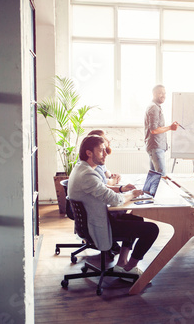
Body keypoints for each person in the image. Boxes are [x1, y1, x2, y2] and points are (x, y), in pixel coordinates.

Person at [68, 135, 159, 277]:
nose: (106, 154)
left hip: (91, 221)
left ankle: (121, 264)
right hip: (98, 226)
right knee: (152, 230)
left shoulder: (81, 168)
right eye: (101, 151)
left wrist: (122, 189)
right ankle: (129, 269)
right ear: (89, 153)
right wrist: (133, 194)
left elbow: (102, 188)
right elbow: (116, 200)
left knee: (136, 219)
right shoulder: (87, 175)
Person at [144, 84, 179, 176]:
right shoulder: (154, 107)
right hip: (156, 147)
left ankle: (149, 191)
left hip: (155, 147)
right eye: (160, 93)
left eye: (164, 93)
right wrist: (170, 128)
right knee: (161, 176)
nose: (163, 95)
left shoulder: (155, 106)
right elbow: (154, 130)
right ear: (154, 94)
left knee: (154, 177)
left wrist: (169, 127)